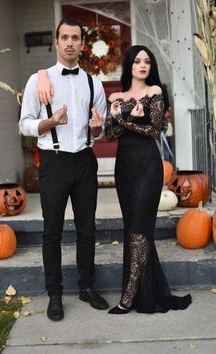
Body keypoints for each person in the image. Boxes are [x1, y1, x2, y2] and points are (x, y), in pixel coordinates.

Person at [19, 18, 109, 322]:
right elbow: (25, 124)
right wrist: (49, 123)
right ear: (57, 42)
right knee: (51, 233)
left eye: (75, 37)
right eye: (65, 37)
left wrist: (97, 130)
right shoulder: (38, 80)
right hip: (54, 161)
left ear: (81, 44)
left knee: (87, 230)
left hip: (84, 160)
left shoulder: (93, 83)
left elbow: (101, 131)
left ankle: (87, 286)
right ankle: (54, 295)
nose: (70, 42)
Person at [105, 45, 192, 314]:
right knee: (134, 231)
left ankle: (128, 298)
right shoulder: (116, 96)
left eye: (148, 61)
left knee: (140, 232)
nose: (143, 65)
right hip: (124, 169)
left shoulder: (155, 92)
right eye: (138, 61)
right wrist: (125, 117)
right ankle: (147, 293)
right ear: (129, 65)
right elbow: (109, 135)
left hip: (148, 167)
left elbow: (153, 131)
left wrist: (123, 118)